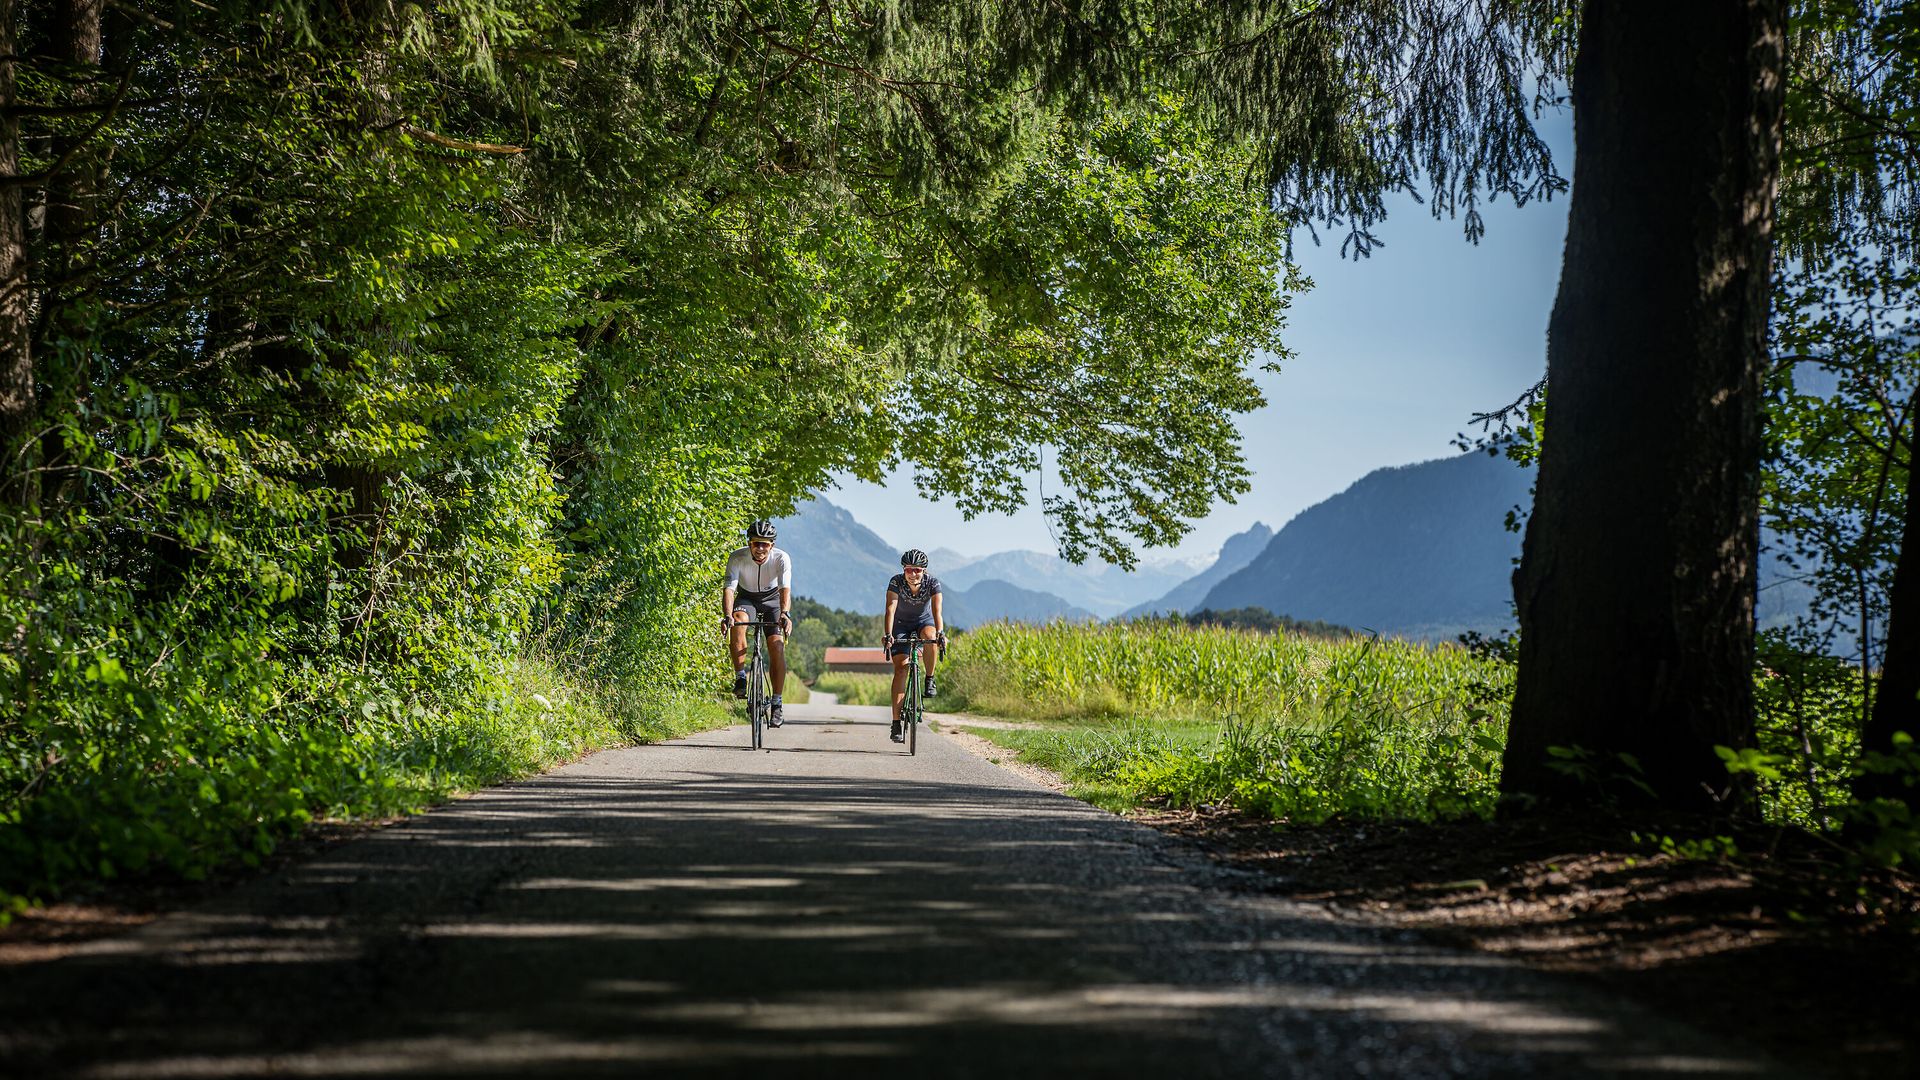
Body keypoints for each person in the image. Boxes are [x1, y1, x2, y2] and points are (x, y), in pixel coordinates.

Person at [722, 519, 793, 726]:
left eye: (765, 544)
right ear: (749, 543)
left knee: (776, 645)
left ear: (772, 545)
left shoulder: (781, 558)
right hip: (747, 598)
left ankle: (777, 703)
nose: (760, 548)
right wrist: (727, 615)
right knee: (737, 621)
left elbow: (784, 589)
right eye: (756, 543)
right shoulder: (737, 557)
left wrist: (785, 614)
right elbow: (729, 590)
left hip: (773, 600)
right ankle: (741, 677)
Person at [882, 548, 944, 743]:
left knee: (931, 636)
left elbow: (937, 612)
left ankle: (929, 678)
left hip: (923, 622)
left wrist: (941, 633)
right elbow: (890, 610)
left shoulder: (933, 583)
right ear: (904, 570)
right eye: (909, 570)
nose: (913, 574)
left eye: (917, 570)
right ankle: (896, 723)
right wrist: (888, 634)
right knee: (901, 669)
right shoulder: (896, 582)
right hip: (900, 624)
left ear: (924, 571)